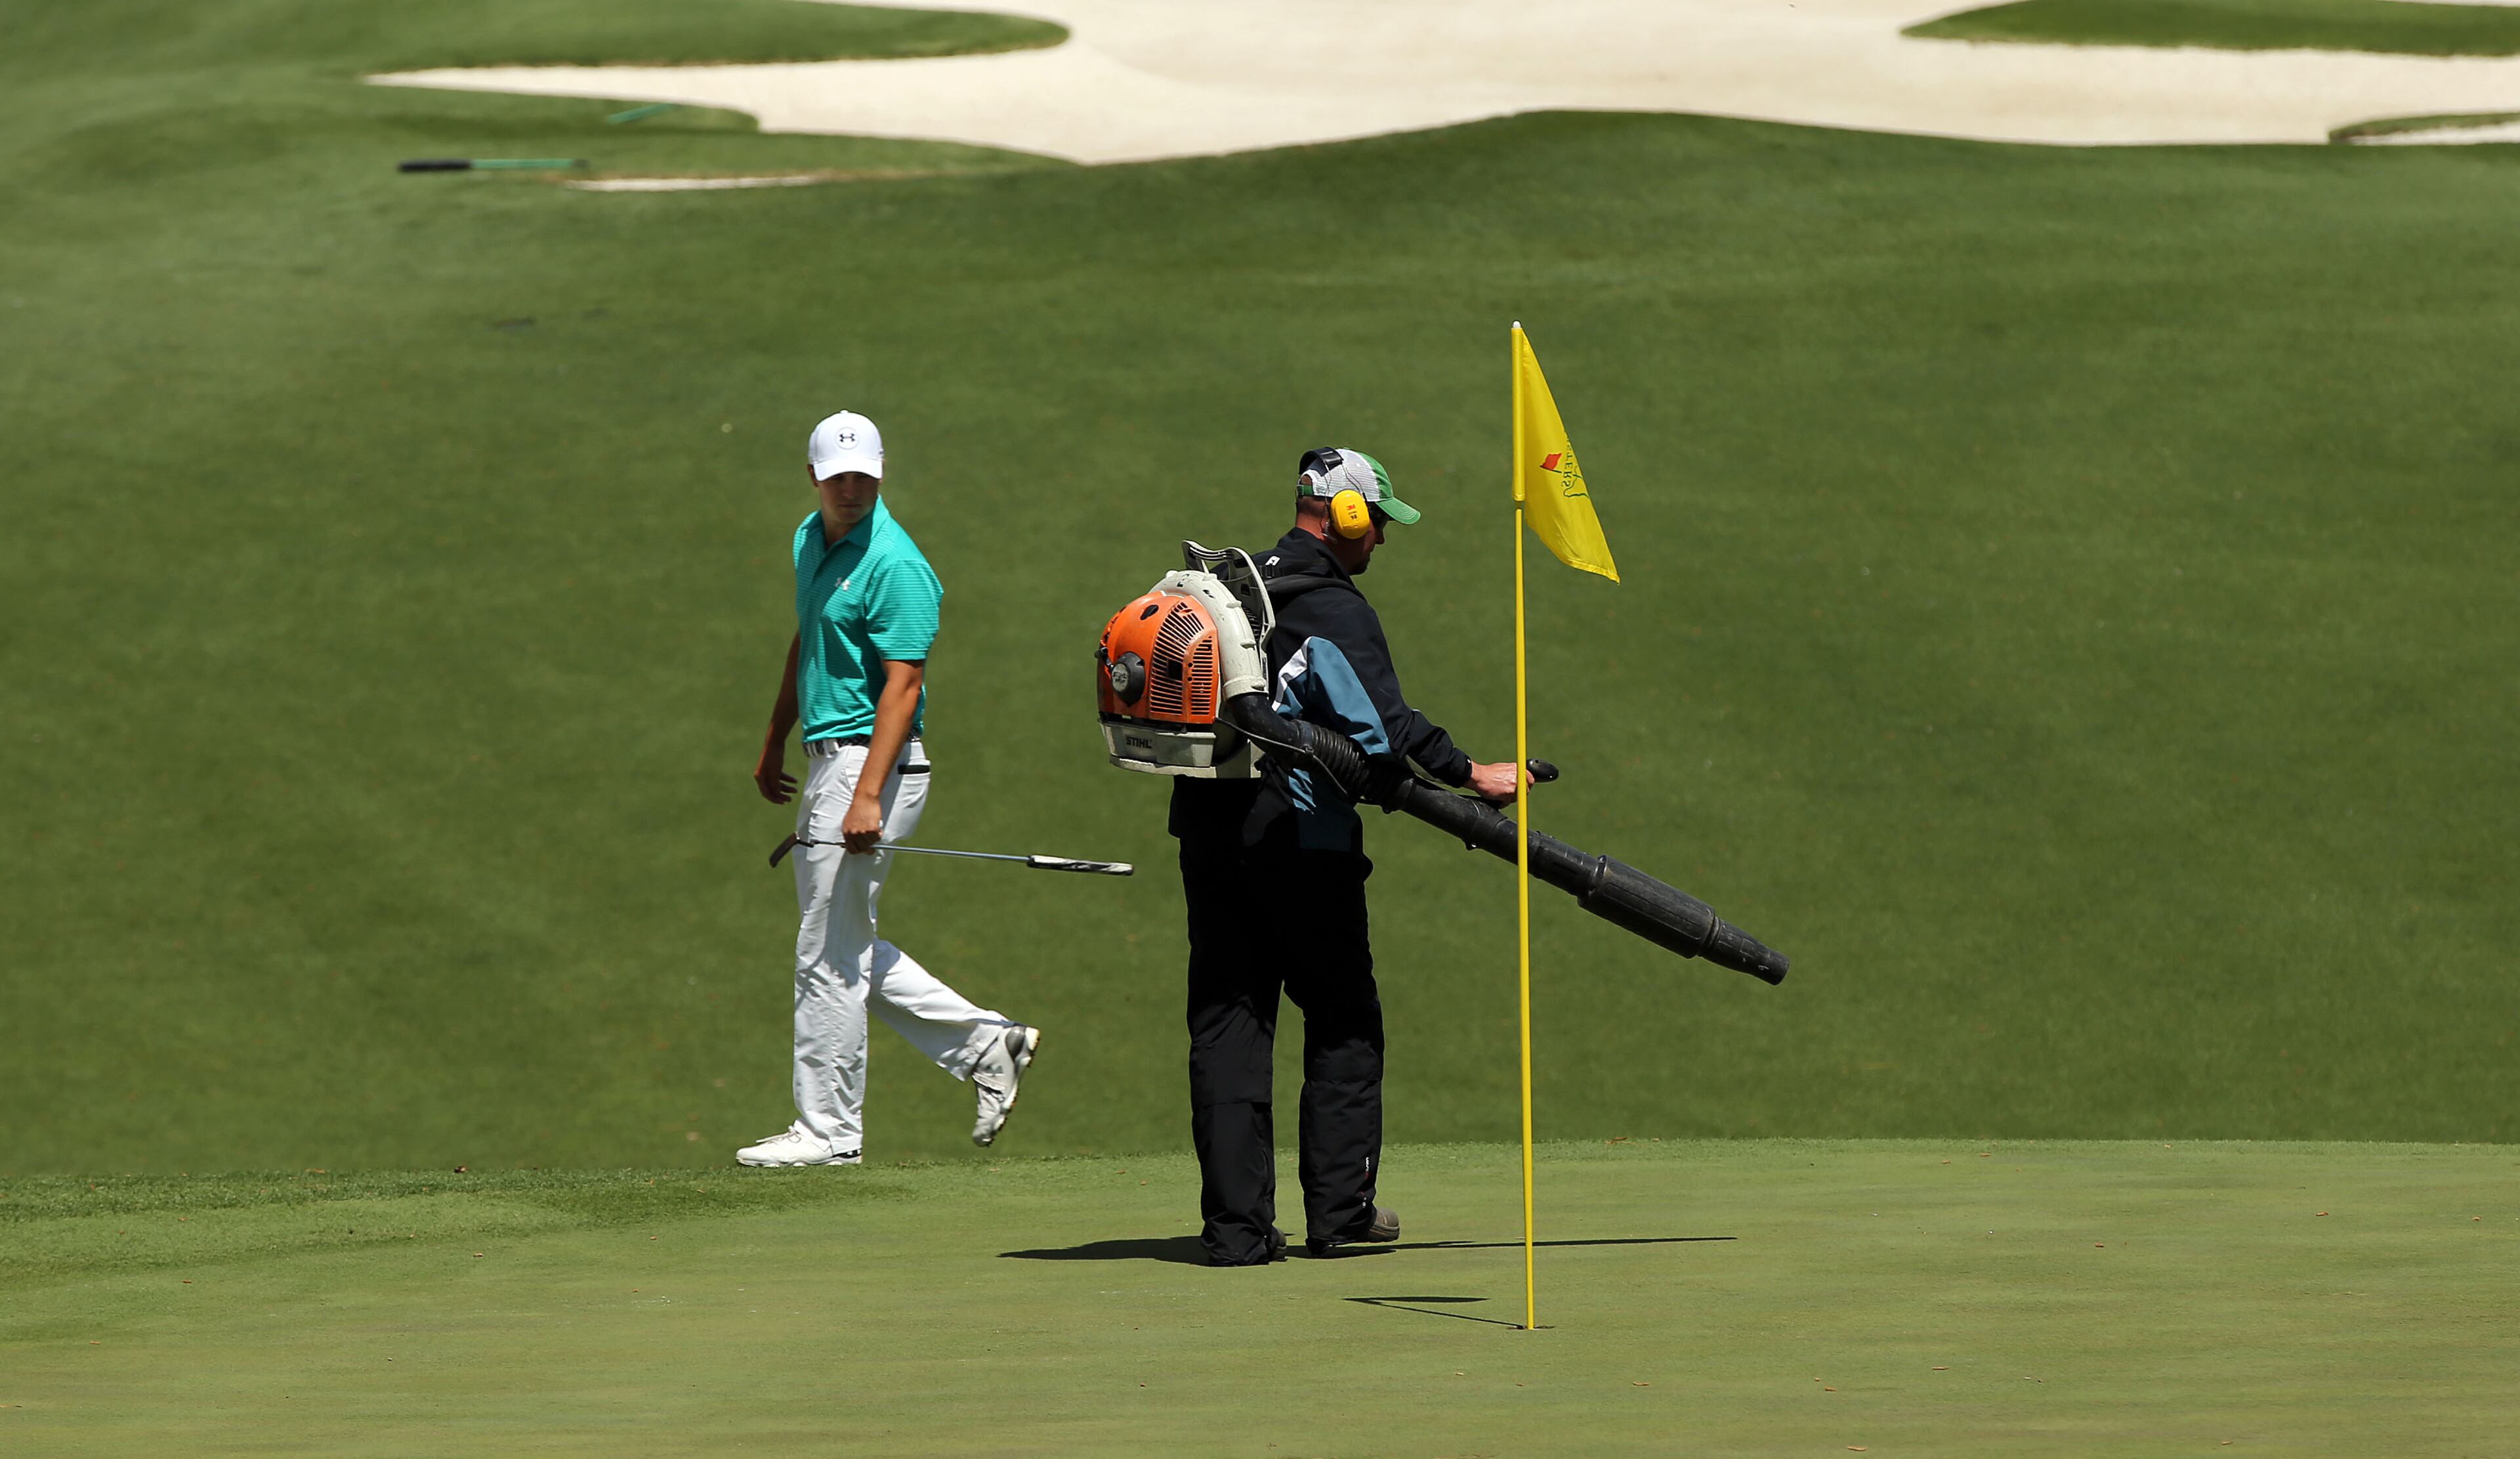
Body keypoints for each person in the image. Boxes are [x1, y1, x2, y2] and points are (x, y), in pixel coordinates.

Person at [1167, 447, 1520, 1265]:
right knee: (1344, 1019)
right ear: (1347, 515)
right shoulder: (1332, 606)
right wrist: (1473, 774)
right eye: (1378, 524)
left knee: (1229, 1021)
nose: (1382, 542)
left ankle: (1236, 1231)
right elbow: (1384, 729)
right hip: (1302, 840)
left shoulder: (1230, 589)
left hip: (1208, 834)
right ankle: (1340, 1213)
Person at [740, 410, 1040, 1168]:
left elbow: (904, 687)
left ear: (880, 476)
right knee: (844, 944)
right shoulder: (811, 540)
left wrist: (867, 794)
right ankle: (986, 1044)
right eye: (839, 477)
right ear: (813, 477)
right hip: (827, 759)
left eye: (864, 477)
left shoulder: (897, 566)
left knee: (825, 952)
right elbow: (807, 637)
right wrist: (776, 733)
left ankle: (830, 1133)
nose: (851, 489)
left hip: (875, 764)